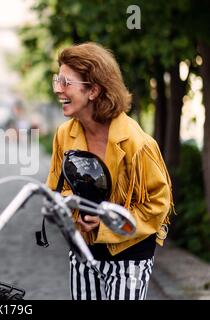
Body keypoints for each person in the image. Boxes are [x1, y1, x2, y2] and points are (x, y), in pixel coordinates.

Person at [45, 42, 174, 300]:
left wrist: (106, 222)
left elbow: (158, 205)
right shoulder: (64, 135)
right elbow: (56, 189)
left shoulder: (139, 144)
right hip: (83, 250)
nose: (58, 89)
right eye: (57, 80)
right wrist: (72, 212)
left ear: (93, 90)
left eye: (66, 82)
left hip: (130, 253)